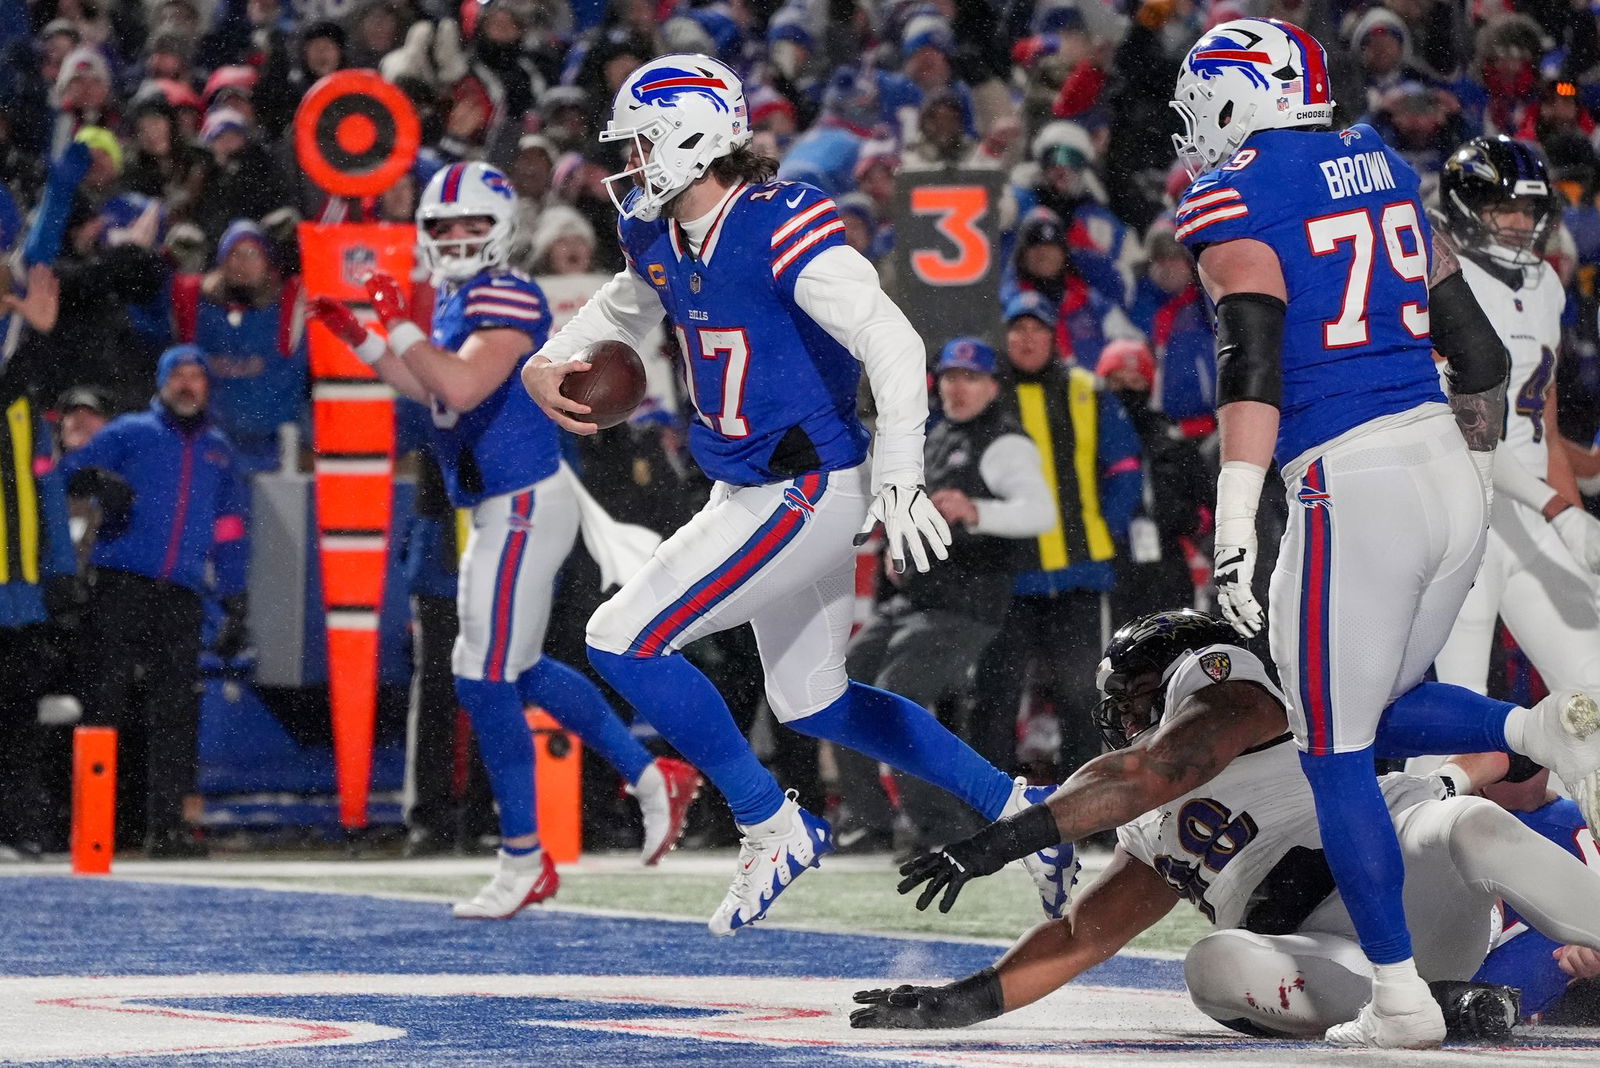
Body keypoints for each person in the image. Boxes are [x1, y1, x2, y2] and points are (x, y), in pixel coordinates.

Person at [521, 54, 1074, 935]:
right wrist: (549, 355)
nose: (625, 163)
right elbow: (628, 305)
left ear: (690, 138)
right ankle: (1025, 811)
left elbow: (893, 342)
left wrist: (900, 475)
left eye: (639, 142)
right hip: (750, 488)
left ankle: (769, 822)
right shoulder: (657, 229)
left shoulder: (779, 221)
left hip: (803, 489)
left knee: (620, 639)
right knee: (814, 700)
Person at [1128, 17, 1596, 1047]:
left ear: (1242, 94)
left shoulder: (1234, 195)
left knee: (1332, 750)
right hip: (1444, 464)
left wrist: (1237, 513)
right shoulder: (1376, 160)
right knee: (1371, 711)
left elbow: (1250, 360)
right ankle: (1525, 731)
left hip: (1350, 477)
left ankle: (1398, 999)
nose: (1193, 125)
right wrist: (1469, 454)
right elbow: (1470, 345)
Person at [859, 610, 1600, 1040]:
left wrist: (1001, 840)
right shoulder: (1145, 822)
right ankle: (1444, 1006)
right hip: (1336, 954)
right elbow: (1082, 937)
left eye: (1141, 692)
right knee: (1214, 966)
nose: (1128, 715)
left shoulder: (1234, 689)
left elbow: (1160, 765)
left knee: (1466, 821)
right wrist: (966, 999)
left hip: (1405, 869)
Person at [306, 161, 700, 919]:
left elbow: (458, 386)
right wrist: (364, 338)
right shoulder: (459, 299)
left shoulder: (504, 292)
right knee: (513, 670)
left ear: (503, 229)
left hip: (521, 499)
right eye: (442, 227)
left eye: (469, 225)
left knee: (480, 675)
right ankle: (651, 776)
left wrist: (395, 322)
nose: (455, 238)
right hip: (500, 503)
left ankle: (524, 855)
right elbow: (427, 384)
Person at [833, 337, 1055, 852]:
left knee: (897, 695)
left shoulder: (1004, 443)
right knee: (838, 685)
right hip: (914, 602)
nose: (958, 387)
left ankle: (943, 828)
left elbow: (1041, 511)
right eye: (951, 376)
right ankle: (873, 818)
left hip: (965, 605)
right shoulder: (935, 435)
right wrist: (894, 544)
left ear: (993, 386)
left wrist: (977, 510)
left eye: (971, 377)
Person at [60, 345, 249, 857]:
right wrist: (92, 479)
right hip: (120, 583)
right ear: (163, 383)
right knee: (105, 700)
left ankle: (165, 829)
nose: (188, 385)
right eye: (178, 376)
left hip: (183, 594)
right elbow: (64, 476)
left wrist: (235, 598)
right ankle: (95, 827)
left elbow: (230, 528)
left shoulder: (219, 450)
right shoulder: (129, 433)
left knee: (174, 713)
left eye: (197, 376)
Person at [1429, 137, 1600, 701]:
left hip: (1530, 518)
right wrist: (1556, 508)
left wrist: (1573, 522)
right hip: (1461, 517)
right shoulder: (1444, 283)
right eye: (1503, 208)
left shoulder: (1545, 283)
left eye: (1527, 211)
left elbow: (1541, 425)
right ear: (1466, 209)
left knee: (1593, 689)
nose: (1518, 223)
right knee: (1458, 716)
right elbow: (1462, 427)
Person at [970, 291, 1141, 783]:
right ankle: (989, 805)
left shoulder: (1086, 389)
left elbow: (1126, 468)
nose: (1027, 339)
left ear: (1053, 336)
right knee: (995, 693)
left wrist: (1102, 529)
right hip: (1005, 575)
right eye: (1017, 330)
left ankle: (1085, 805)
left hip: (1077, 574)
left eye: (1037, 329)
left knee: (1081, 695)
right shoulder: (986, 392)